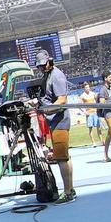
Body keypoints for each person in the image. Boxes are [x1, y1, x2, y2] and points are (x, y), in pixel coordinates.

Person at [35, 58, 75, 204]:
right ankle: (70, 190)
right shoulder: (48, 75)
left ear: (49, 62)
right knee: (65, 157)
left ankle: (67, 192)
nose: (40, 68)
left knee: (61, 159)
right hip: (55, 121)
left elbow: (62, 99)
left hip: (59, 121)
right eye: (38, 66)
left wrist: (48, 108)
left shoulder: (56, 75)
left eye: (42, 65)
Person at [79, 82, 101, 146]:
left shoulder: (93, 94)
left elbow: (97, 101)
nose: (87, 88)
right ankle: (93, 142)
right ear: (84, 88)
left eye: (88, 87)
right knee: (90, 128)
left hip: (95, 112)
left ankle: (102, 141)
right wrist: (84, 111)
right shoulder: (82, 96)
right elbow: (79, 105)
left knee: (98, 127)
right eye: (86, 87)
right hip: (89, 113)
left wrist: (97, 108)